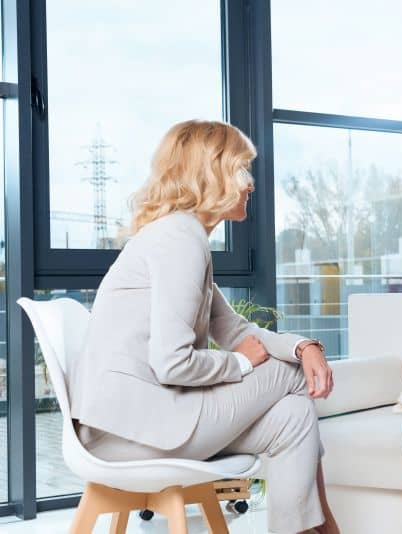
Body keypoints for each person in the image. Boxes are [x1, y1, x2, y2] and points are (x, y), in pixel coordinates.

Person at [69, 119, 340, 534]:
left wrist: (303, 345)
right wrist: (241, 365)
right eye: (240, 170)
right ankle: (327, 528)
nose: (250, 184)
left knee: (293, 414)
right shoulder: (181, 240)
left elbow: (235, 329)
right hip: (133, 434)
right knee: (289, 378)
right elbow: (172, 364)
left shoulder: (179, 235)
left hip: (136, 426)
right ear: (210, 173)